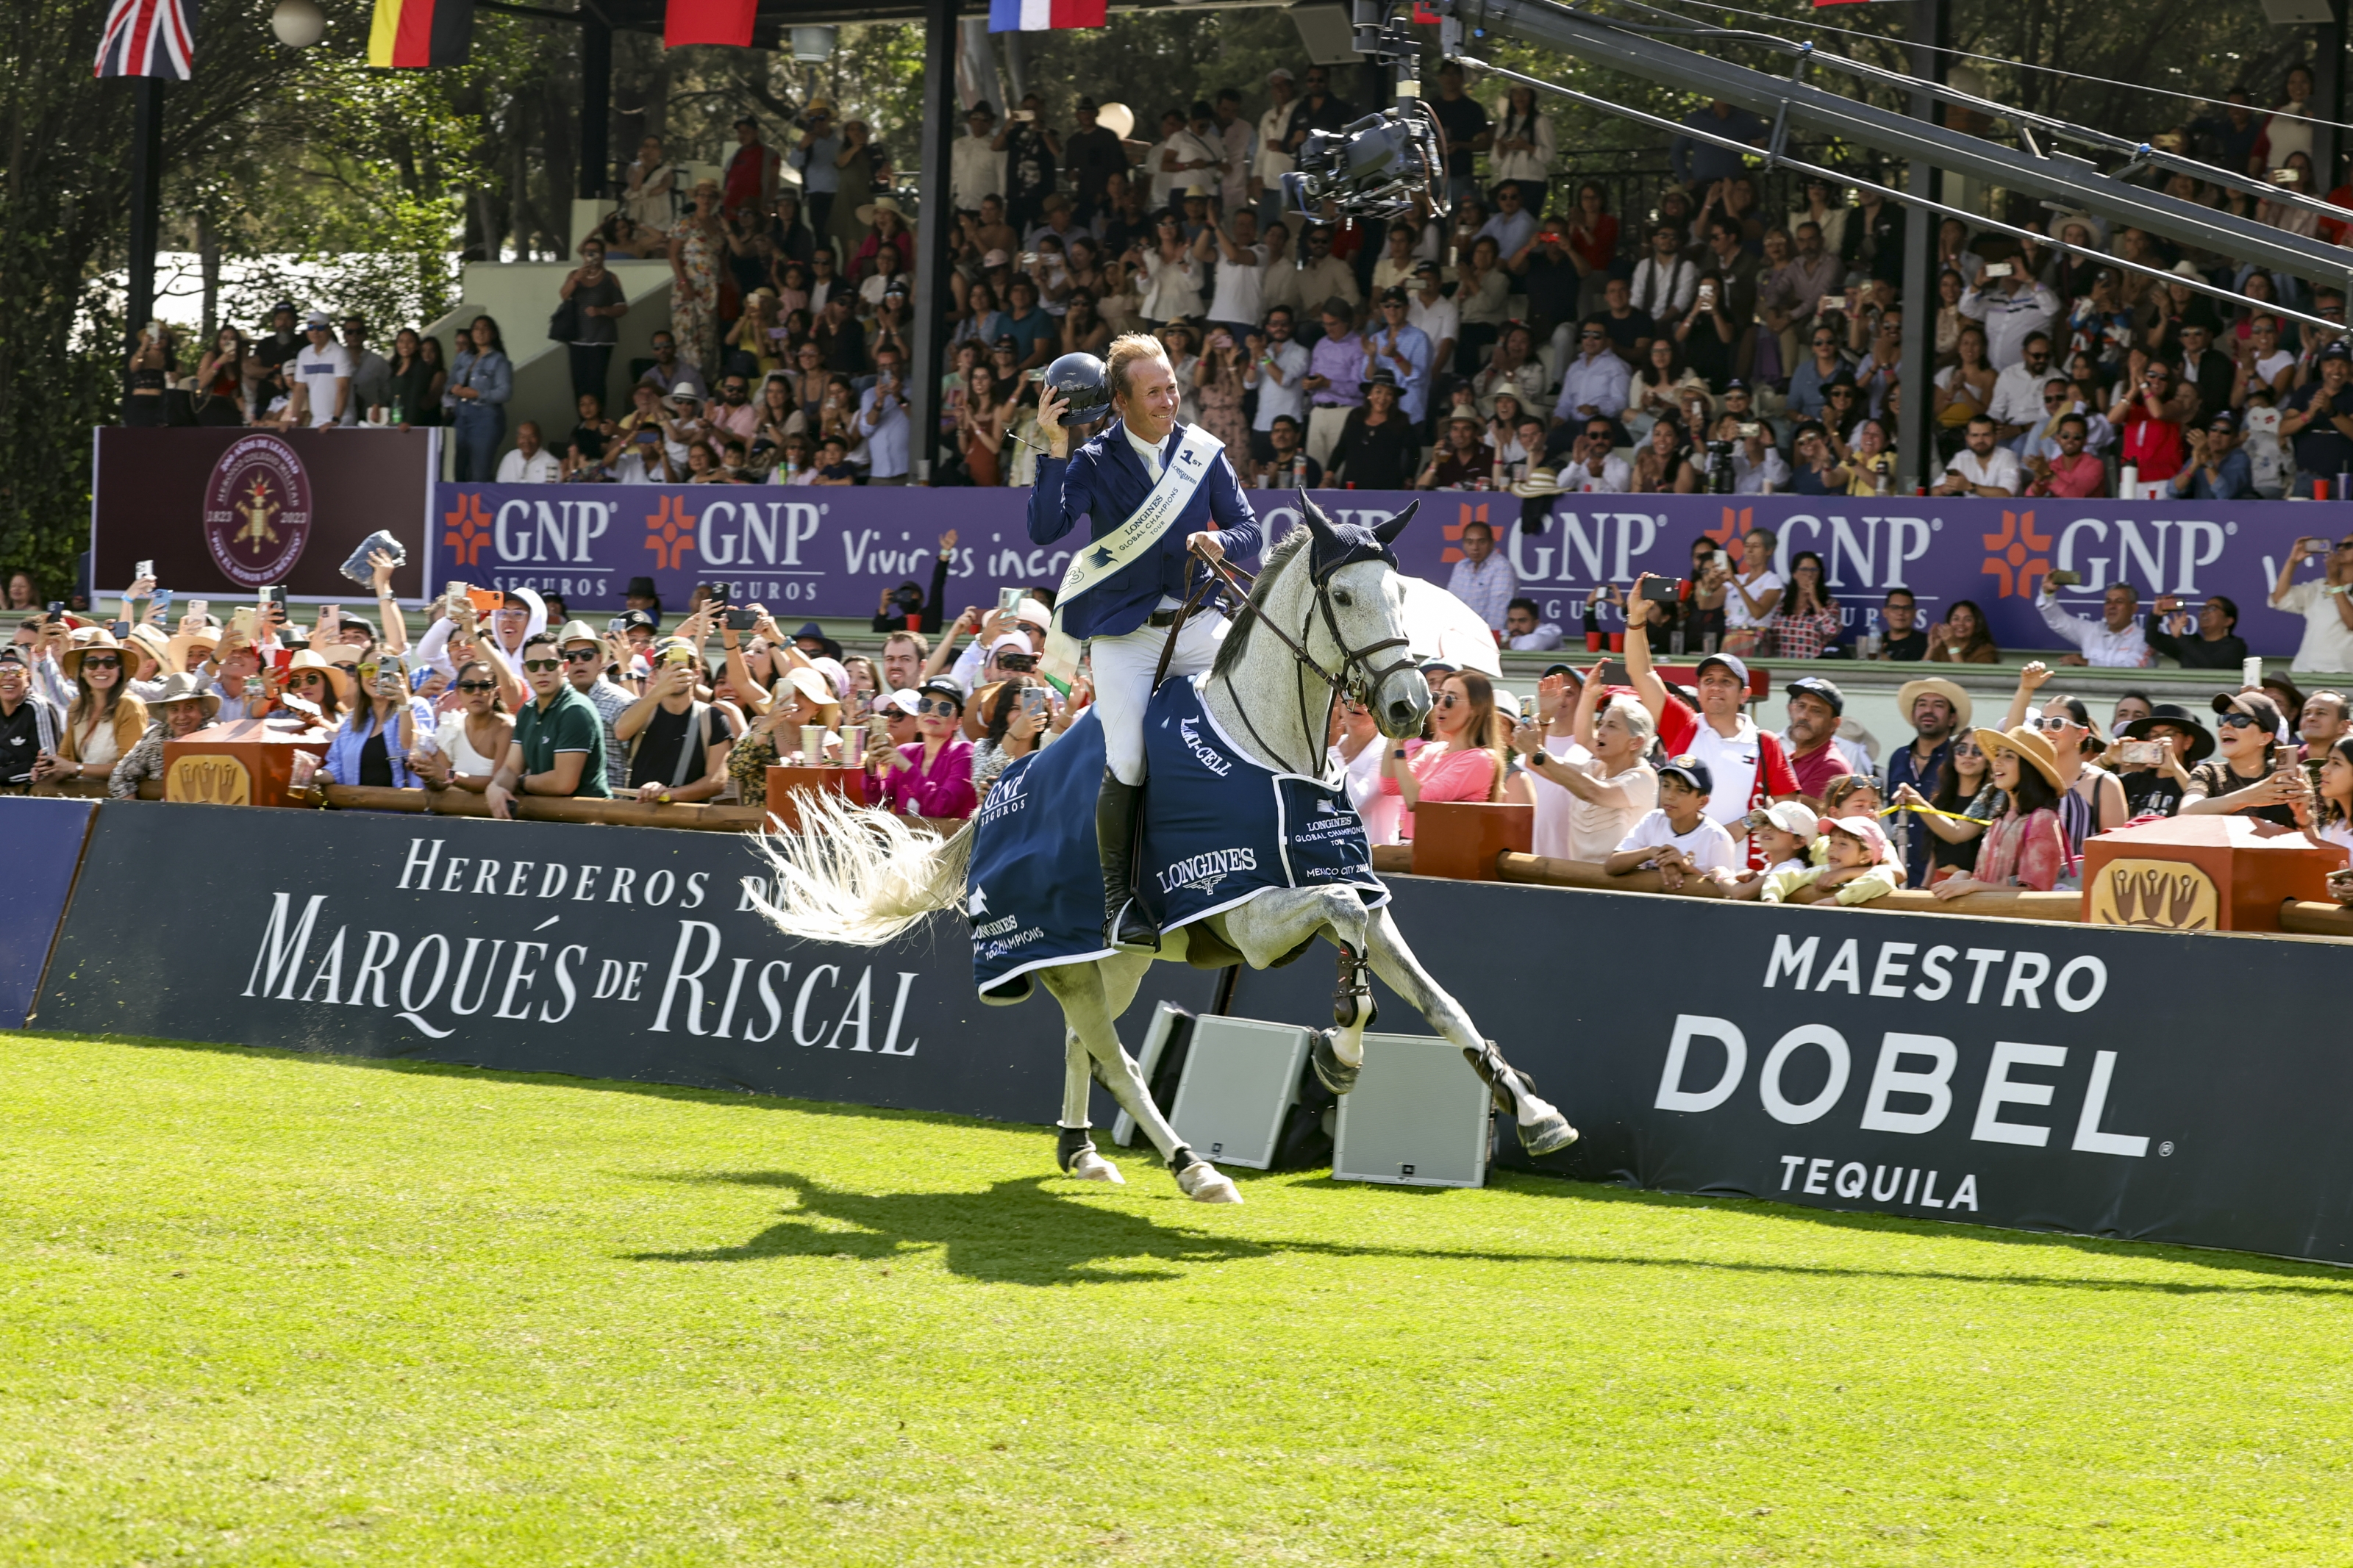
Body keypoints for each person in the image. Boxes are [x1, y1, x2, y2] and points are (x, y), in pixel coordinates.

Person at [1030, 334, 1262, 949]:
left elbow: (1250, 532)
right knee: (1129, 759)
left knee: (1261, 705)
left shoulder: (1204, 452)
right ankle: (1119, 902)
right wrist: (1056, 446)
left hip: (1197, 621)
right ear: (1122, 402)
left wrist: (1222, 545)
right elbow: (1044, 528)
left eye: (1172, 386)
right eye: (1154, 391)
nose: (1169, 400)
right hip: (1124, 635)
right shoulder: (1093, 461)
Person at [1623, 588, 1798, 868]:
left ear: (1745, 694)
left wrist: (1748, 822)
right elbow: (1641, 672)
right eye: (1709, 680)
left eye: (1726, 681)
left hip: (1742, 877)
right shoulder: (1683, 724)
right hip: (1676, 873)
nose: (1716, 687)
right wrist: (1636, 617)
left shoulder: (1765, 743)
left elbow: (1790, 812)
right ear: (1699, 688)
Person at [1515, 673, 1659, 862]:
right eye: (1601, 724)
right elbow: (1534, 763)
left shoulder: (1644, 778)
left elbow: (1593, 792)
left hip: (1620, 887)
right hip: (1579, 880)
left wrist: (1537, 750)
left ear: (1636, 742)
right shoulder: (1593, 769)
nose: (1601, 731)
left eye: (1612, 726)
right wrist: (1545, 717)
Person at [485, 631, 614, 818]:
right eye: (534, 665)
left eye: (551, 664)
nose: (542, 671)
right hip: (549, 821)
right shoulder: (527, 711)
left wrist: (520, 783)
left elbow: (563, 783)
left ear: (565, 667)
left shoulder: (576, 710)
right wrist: (495, 787)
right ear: (524, 671)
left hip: (588, 823)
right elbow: (511, 768)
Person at [1932, 726, 2069, 896]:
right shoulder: (1999, 819)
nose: (1996, 762)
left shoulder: (2043, 819)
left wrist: (1973, 886)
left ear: (2030, 769)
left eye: (2009, 756)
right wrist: (1964, 876)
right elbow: (1986, 881)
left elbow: (2035, 894)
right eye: (1998, 755)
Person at [1380, 669, 1507, 840]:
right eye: (1438, 697)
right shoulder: (1435, 750)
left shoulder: (1480, 760)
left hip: (1446, 859)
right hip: (1414, 853)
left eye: (1450, 700)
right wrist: (1393, 733)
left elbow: (1416, 800)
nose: (1439, 706)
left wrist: (1399, 749)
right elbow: (1390, 786)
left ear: (1476, 709)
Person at [615, 642, 733, 804]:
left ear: (696, 672)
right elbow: (621, 732)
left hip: (689, 824)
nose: (674, 670)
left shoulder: (713, 718)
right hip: (637, 821)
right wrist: (660, 689)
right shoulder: (641, 710)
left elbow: (717, 782)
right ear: (655, 673)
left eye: (683, 664)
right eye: (666, 664)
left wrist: (668, 794)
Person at [2179, 691, 2310, 829]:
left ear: (2265, 738)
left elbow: (2317, 847)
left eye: (2240, 720)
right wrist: (2248, 797)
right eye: (2224, 718)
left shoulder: (2287, 776)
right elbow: (2186, 811)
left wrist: (2303, 819)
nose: (2226, 726)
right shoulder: (2209, 773)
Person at [1604, 756, 1739, 891]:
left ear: (1702, 802)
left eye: (1681, 790)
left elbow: (1726, 892)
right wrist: (1652, 852)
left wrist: (1686, 868)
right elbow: (1611, 866)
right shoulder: (1653, 819)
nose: (1669, 796)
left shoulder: (1717, 837)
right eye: (1666, 786)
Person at [320, 651, 435, 790]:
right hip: (356, 809)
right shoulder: (353, 720)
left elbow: (412, 753)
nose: (376, 676)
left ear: (399, 676)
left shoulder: (416, 706)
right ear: (360, 676)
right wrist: (310, 775)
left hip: (402, 808)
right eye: (368, 669)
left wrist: (404, 704)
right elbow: (337, 768)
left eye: (384, 671)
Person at [875, 677, 977, 820]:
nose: (933, 712)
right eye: (926, 704)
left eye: (944, 708)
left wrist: (907, 768)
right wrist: (871, 769)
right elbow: (878, 804)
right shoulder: (905, 752)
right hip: (904, 840)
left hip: (948, 840)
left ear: (958, 722)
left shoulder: (964, 752)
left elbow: (944, 805)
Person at [2268, 530, 2353, 675]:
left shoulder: (2331, 583)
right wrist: (2292, 562)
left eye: (2349, 545)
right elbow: (2279, 599)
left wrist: (2334, 583)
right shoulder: (2319, 586)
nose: (2340, 548)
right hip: (2305, 670)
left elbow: (2351, 623)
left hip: (2343, 672)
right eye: (2340, 545)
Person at [444, 316, 512, 483]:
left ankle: (477, 508)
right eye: (476, 328)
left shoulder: (499, 360)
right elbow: (449, 383)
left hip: (486, 419)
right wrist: (454, 389)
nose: (480, 332)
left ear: (493, 334)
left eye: (485, 328)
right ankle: (456, 508)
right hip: (461, 417)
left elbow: (505, 392)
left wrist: (477, 393)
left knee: (478, 473)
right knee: (454, 470)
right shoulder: (463, 357)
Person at [2038, 579, 2149, 669]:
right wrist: (2048, 594)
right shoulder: (2092, 631)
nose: (2112, 606)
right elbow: (2059, 622)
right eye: (2108, 602)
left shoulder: (2145, 639)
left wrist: (2088, 663)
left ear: (2134, 608)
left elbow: (2134, 669)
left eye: (2119, 601)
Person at [0, 646, 63, 792]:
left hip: (36, 796)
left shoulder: (38, 707)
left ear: (28, 677)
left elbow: (48, 766)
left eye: (16, 671)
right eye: (1, 672)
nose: (8, 677)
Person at [2144, 593, 2248, 670]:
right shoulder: (2192, 641)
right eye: (2203, 608)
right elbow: (2152, 638)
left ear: (2228, 621)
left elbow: (2211, 668)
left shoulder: (2236, 646)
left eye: (2212, 608)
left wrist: (2180, 637)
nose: (2204, 613)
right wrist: (2156, 615)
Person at [1443, 519, 1514, 630]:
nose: (1475, 548)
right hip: (1459, 634)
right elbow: (1450, 604)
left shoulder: (1501, 567)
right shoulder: (1461, 567)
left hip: (1485, 638)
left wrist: (1489, 641)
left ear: (1492, 543)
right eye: (1470, 542)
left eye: (1481, 542)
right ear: (1463, 544)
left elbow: (1498, 613)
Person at [2309, 736, 2353, 856]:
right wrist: (2304, 819)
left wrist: (2344, 876)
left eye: (2336, 763)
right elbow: (2320, 860)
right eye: (2327, 761)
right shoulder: (2335, 825)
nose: (2323, 769)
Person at [1869, 588, 1929, 661]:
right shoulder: (1876, 642)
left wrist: (1888, 665)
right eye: (1895, 607)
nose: (1901, 612)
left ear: (1914, 613)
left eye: (1907, 608)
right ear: (1885, 612)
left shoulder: (1928, 643)